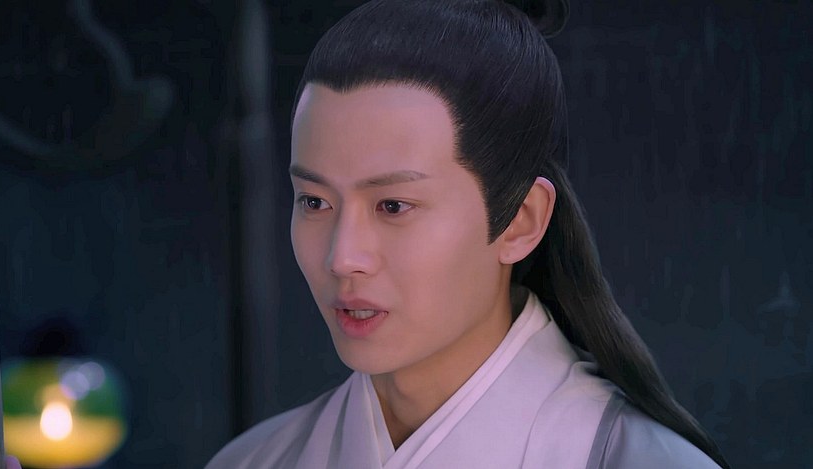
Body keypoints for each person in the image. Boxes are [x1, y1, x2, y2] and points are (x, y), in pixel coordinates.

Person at [207, 0, 730, 467]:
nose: (342, 258)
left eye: (393, 206)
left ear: (521, 220)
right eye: (315, 202)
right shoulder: (253, 460)